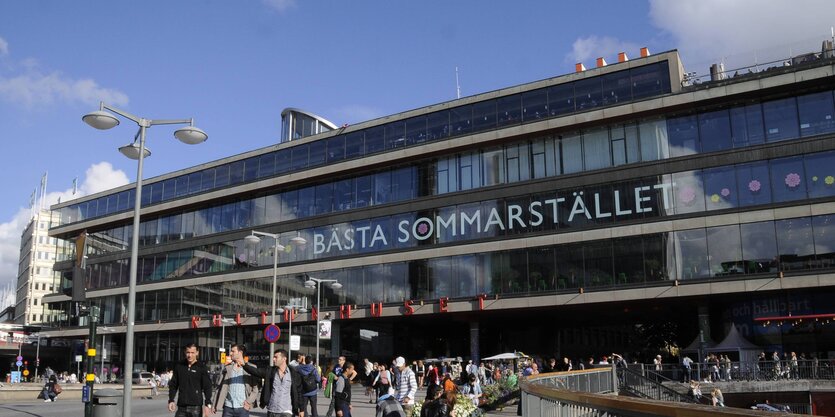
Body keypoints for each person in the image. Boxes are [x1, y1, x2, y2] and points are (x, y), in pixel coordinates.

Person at [240, 349, 302, 417]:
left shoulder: (293, 373)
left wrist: (302, 409)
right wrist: (244, 365)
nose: (273, 359)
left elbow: (299, 392)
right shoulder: (270, 371)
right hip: (272, 411)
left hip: (286, 412)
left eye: (276, 357)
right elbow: (256, 371)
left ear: (284, 359)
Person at [213, 344, 260, 417]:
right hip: (228, 408)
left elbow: (255, 389)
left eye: (233, 351)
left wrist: (248, 402)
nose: (230, 353)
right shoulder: (227, 368)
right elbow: (219, 387)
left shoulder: (251, 368)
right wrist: (214, 404)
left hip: (243, 408)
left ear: (240, 352)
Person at [168, 343, 214, 417]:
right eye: (188, 352)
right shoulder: (179, 366)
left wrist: (208, 404)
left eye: (192, 353)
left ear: (197, 353)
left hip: (196, 407)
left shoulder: (201, 367)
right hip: (181, 407)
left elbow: (207, 386)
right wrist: (171, 400)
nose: (190, 355)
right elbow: (173, 384)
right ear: (185, 352)